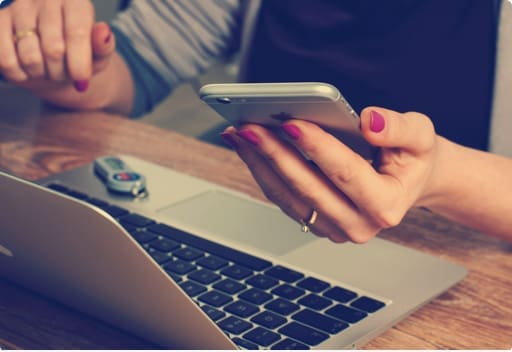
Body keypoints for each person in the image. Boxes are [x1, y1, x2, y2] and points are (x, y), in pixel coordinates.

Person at [0, 0, 510, 241]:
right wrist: (61, 56)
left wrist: (442, 175)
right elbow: (138, 61)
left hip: (466, 265)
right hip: (255, 226)